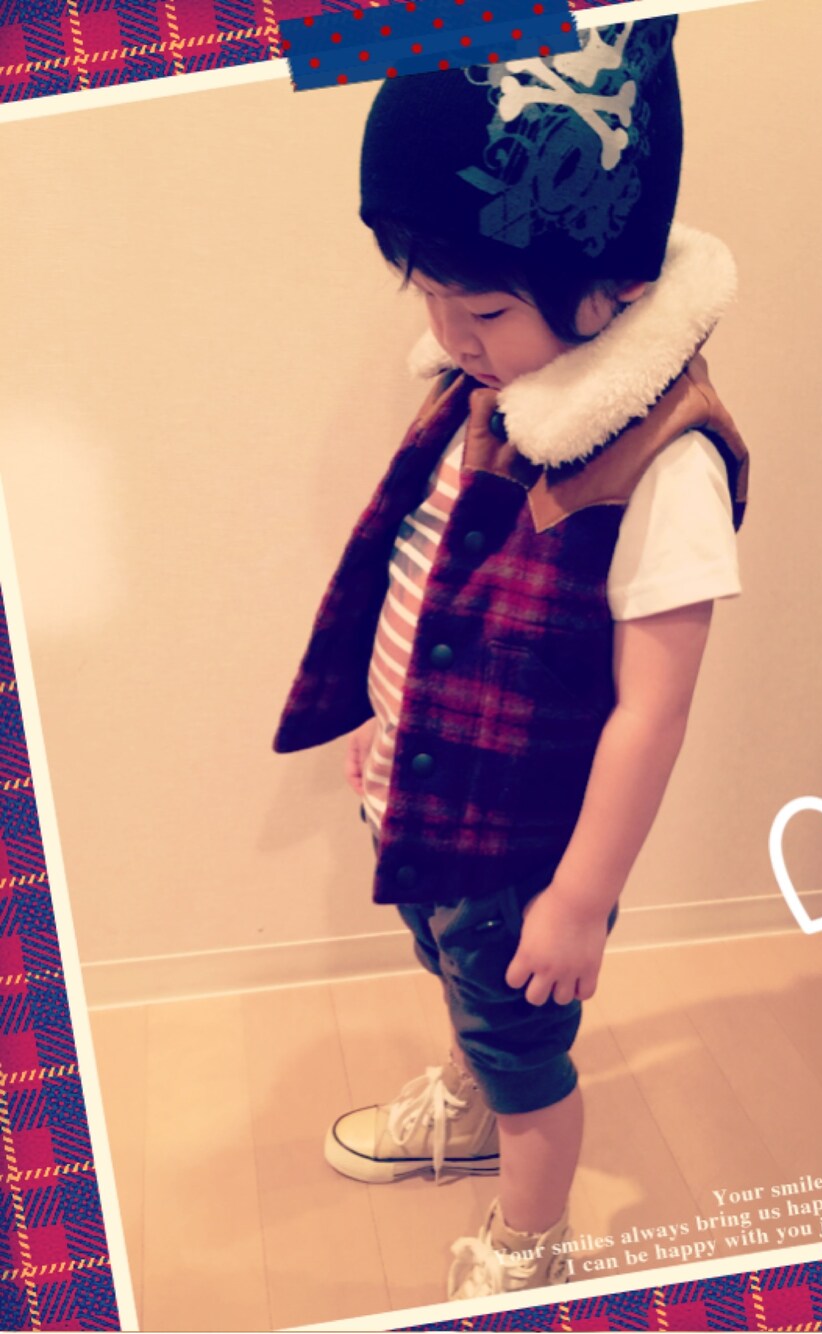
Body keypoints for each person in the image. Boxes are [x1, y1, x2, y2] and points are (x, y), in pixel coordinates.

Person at [274, 17, 749, 1301]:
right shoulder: (479, 395)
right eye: (423, 294)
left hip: (526, 846)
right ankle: (471, 1095)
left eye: (481, 305)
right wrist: (384, 726)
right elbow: (425, 583)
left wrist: (581, 898)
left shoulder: (664, 462)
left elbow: (651, 712)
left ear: (616, 287)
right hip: (433, 805)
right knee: (456, 982)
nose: (449, 331)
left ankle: (529, 1248)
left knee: (530, 1056)